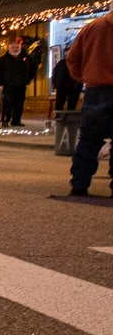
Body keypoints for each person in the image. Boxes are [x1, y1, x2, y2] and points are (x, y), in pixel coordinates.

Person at [66, 12, 112, 197]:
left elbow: (73, 58)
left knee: (89, 138)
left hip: (96, 89)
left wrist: (85, 77)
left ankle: (79, 183)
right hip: (99, 86)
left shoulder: (93, 27)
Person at [0, 36, 36, 127]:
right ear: (9, 48)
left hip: (21, 84)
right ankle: (5, 119)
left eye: (17, 47)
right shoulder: (3, 60)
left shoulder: (26, 58)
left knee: (19, 103)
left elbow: (32, 69)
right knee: (7, 103)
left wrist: (27, 79)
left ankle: (16, 120)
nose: (15, 49)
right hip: (8, 84)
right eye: (13, 47)